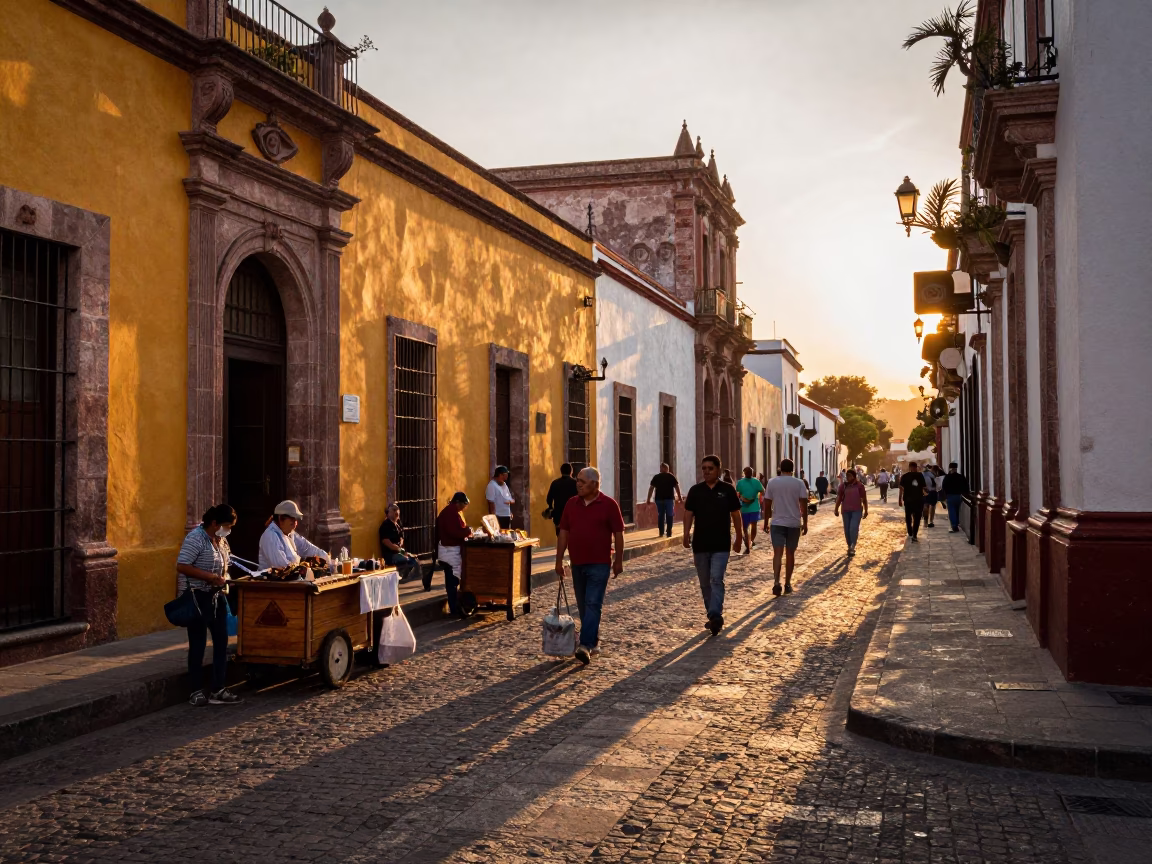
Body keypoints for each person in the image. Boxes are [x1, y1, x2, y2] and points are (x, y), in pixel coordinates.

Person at [555, 467, 625, 665]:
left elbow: (619, 534)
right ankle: (593, 641)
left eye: (582, 481)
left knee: (593, 603)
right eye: (577, 480)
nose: (578, 484)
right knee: (583, 606)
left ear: (595, 484)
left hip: (600, 564)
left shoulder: (609, 505)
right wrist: (559, 560)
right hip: (577, 563)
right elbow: (563, 533)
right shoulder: (571, 504)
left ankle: (584, 645)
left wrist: (619, 560)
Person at [176, 504, 243, 707]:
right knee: (197, 644)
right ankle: (195, 690)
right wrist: (210, 577)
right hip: (198, 597)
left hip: (217, 596)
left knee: (221, 641)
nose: (228, 530)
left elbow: (226, 563)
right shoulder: (195, 538)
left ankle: (218, 688)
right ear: (214, 523)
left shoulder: (221, 540)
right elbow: (182, 565)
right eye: (226, 525)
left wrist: (224, 578)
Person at [683, 455, 744, 635]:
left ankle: (716, 615)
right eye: (704, 468)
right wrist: (685, 534)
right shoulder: (695, 491)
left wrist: (739, 537)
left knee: (716, 579)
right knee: (704, 583)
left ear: (718, 469)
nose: (706, 471)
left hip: (721, 544)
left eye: (710, 468)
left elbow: (735, 514)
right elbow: (688, 514)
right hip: (700, 544)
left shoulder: (727, 490)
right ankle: (713, 615)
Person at [763, 458, 809, 596]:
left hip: (777, 522)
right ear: (793, 469)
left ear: (780, 468)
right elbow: (804, 505)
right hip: (793, 523)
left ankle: (776, 582)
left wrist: (766, 521)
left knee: (777, 553)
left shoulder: (772, 482)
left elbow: (767, 504)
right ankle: (787, 583)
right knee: (790, 553)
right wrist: (805, 522)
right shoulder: (799, 483)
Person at [258, 499, 329, 571]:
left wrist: (328, 559)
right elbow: (282, 567)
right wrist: (303, 566)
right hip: (272, 581)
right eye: (292, 519)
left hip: (292, 579)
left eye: (296, 519)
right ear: (280, 519)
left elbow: (307, 548)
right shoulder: (270, 536)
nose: (295, 523)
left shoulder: (290, 533)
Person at [436, 492, 471, 615]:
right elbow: (454, 532)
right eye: (463, 505)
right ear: (457, 503)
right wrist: (467, 531)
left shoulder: (453, 512)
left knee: (453, 581)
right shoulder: (449, 513)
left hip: (452, 550)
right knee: (452, 582)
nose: (464, 508)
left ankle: (456, 606)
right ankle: (454, 608)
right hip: (449, 551)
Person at [379, 503, 422, 582]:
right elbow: (388, 544)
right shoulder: (385, 526)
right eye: (394, 510)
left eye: (397, 510)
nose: (397, 512)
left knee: (414, 559)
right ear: (388, 512)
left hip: (398, 552)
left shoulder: (398, 525)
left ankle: (406, 576)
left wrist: (404, 551)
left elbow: (401, 538)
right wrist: (403, 552)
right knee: (412, 560)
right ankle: (405, 577)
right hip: (390, 555)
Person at [834, 468, 869, 556]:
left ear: (854, 476)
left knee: (853, 528)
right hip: (845, 511)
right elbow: (839, 498)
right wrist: (836, 509)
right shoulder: (843, 486)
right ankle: (849, 545)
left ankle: (853, 546)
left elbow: (864, 499)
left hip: (856, 511)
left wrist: (866, 510)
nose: (848, 478)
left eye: (849, 476)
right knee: (847, 529)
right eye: (847, 476)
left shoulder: (860, 486)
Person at [646, 462, 683, 538]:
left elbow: (651, 488)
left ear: (662, 468)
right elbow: (677, 487)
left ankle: (661, 532)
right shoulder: (671, 476)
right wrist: (680, 498)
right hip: (669, 499)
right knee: (669, 515)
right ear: (667, 469)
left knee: (661, 515)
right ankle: (669, 532)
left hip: (659, 499)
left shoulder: (656, 477)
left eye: (661, 467)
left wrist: (648, 499)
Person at [734, 467, 765, 552]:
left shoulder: (751, 482)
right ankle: (749, 542)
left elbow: (763, 491)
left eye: (748, 472)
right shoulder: (747, 482)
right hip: (748, 508)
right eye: (747, 472)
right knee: (748, 526)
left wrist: (755, 497)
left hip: (750, 507)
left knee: (749, 526)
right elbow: (736, 493)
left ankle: (749, 542)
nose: (747, 473)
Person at [898, 461, 926, 542]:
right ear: (916, 467)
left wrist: (900, 499)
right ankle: (914, 535)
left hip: (908, 499)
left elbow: (900, 488)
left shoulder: (905, 476)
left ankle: (910, 531)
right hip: (918, 499)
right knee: (917, 517)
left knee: (908, 516)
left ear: (909, 467)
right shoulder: (920, 475)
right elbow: (924, 487)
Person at [546, 464, 578, 534]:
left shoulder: (555, 483)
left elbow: (549, 499)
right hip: (573, 515)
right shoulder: (576, 483)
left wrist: (550, 508)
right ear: (571, 471)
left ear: (561, 471)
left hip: (558, 515)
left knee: (560, 535)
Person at [940, 462, 970, 532]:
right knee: (957, 510)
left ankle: (954, 525)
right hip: (959, 496)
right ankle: (956, 523)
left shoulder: (947, 477)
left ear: (950, 469)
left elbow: (944, 486)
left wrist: (945, 495)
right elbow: (966, 485)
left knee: (952, 511)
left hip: (950, 496)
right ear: (956, 469)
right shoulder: (960, 476)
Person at [486, 465, 516, 529]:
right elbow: (491, 502)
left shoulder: (504, 485)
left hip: (506, 515)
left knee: (506, 534)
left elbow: (508, 498)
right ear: (500, 475)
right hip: (498, 516)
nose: (506, 477)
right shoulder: (492, 486)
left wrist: (510, 511)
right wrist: (493, 517)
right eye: (505, 475)